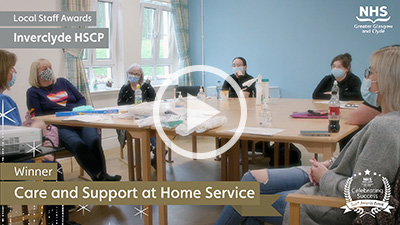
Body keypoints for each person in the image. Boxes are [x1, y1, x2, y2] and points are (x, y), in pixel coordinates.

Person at [215, 45, 400, 225]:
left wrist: (325, 176)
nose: (368, 78)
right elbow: (358, 160)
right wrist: (330, 162)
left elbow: (361, 194)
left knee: (245, 202)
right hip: (334, 175)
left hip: (331, 204)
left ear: (386, 81)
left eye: (372, 72)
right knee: (249, 182)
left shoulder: (385, 128)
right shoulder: (388, 119)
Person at [0, 50, 79, 225]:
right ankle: (57, 222)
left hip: (12, 159)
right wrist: (34, 133)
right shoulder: (4, 102)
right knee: (53, 169)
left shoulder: (7, 101)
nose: (15, 72)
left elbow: (11, 137)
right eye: (11, 68)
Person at [26, 58, 121, 181]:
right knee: (78, 144)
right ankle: (99, 177)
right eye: (44, 69)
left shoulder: (63, 82)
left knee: (94, 140)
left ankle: (103, 174)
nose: (48, 71)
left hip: (79, 119)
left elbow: (81, 99)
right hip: (58, 126)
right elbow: (37, 116)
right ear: (36, 73)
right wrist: (60, 115)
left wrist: (75, 110)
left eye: (50, 68)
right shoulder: (33, 92)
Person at [117, 63, 158, 169]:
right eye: (131, 73)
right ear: (127, 74)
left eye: (136, 74)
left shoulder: (147, 87)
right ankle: (155, 150)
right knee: (139, 126)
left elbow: (154, 102)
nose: (134, 75)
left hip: (145, 115)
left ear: (141, 76)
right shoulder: (125, 88)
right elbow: (120, 104)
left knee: (149, 125)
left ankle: (156, 150)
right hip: (130, 117)